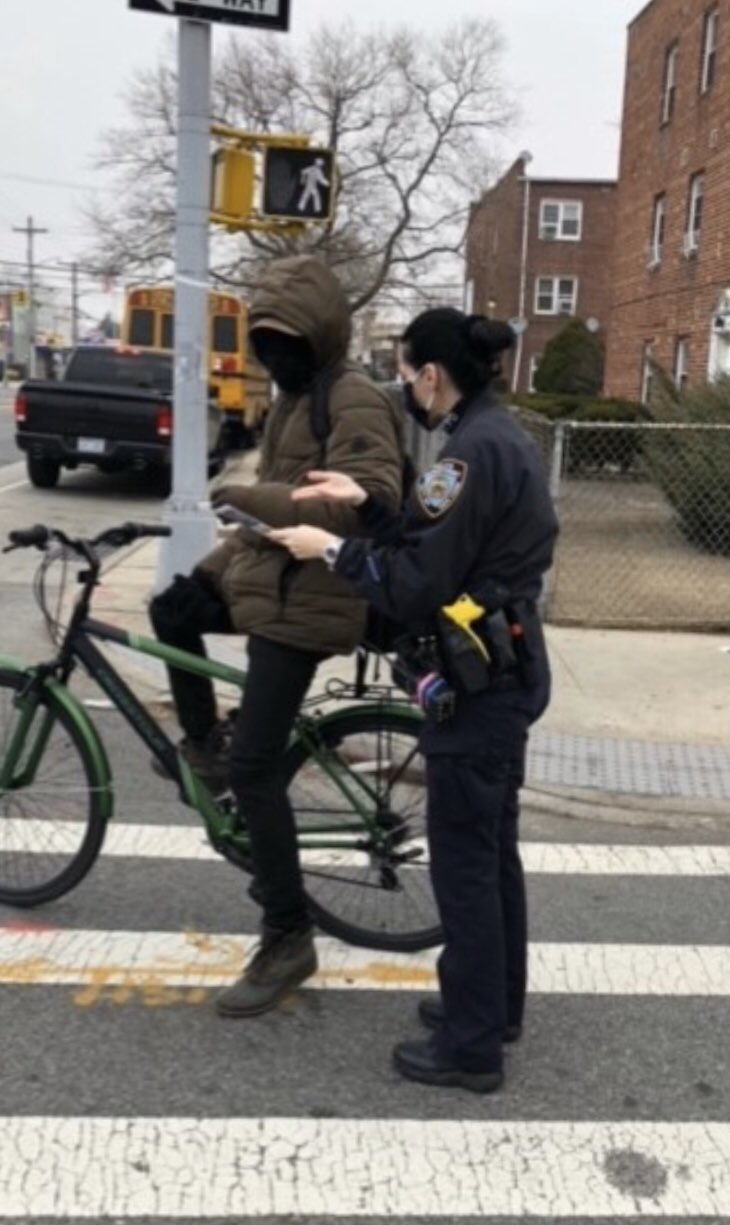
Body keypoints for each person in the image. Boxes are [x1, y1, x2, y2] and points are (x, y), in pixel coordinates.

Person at [271, 308, 558, 1093]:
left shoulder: (467, 453)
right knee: (493, 855)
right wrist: (362, 503)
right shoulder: (496, 438)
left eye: (404, 372)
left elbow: (415, 579)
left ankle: (471, 1047)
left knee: (466, 866)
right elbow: (429, 536)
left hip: (477, 685)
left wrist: (327, 547)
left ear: (432, 375)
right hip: (505, 669)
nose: (403, 386)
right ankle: (492, 1008)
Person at [148, 255, 405, 1018]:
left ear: (321, 336)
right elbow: (268, 523)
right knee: (172, 609)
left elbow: (370, 504)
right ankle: (204, 746)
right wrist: (211, 568)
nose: (274, 352)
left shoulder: (350, 396)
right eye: (265, 339)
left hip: (317, 599)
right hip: (277, 580)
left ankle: (289, 935)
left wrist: (243, 495)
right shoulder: (296, 398)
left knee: (260, 769)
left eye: (287, 339)